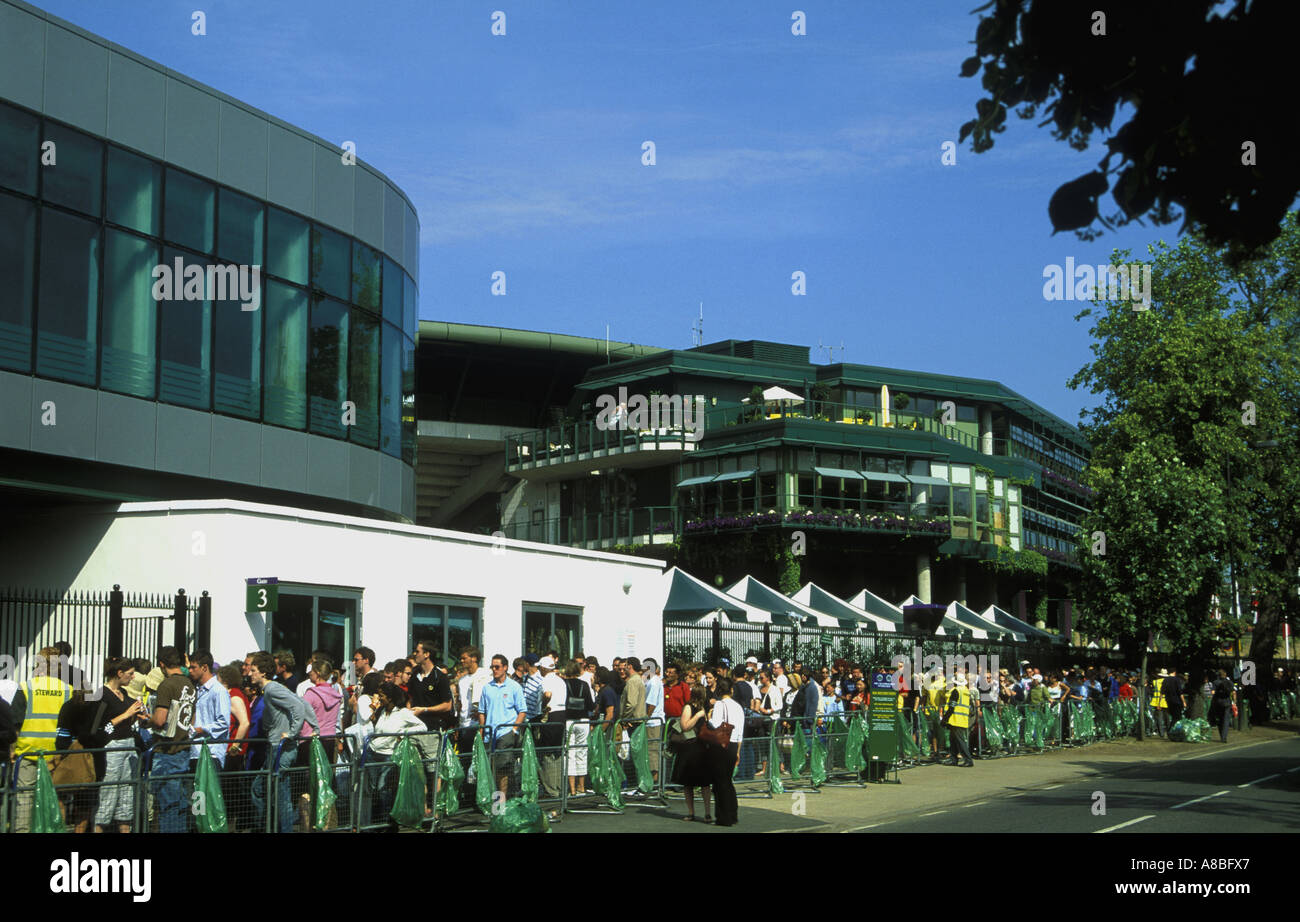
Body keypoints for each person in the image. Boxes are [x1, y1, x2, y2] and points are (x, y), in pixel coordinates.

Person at [248, 651, 318, 834]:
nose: (249, 674)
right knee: (272, 791)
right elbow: (302, 703)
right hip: (277, 748)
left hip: (281, 750)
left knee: (277, 794)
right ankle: (273, 826)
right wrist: (314, 726)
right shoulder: (273, 689)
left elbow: (297, 706)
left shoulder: (272, 689)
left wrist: (292, 733)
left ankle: (273, 826)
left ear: (263, 672)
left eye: (253, 670)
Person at [11, 646, 74, 832]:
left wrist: (12, 749)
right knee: (55, 799)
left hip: (27, 752)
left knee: (24, 798)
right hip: (56, 754)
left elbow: (16, 722)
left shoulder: (25, 687)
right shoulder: (67, 690)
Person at [364, 682, 428, 828]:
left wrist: (404, 733)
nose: (379, 698)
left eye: (382, 696)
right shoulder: (381, 711)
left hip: (388, 755)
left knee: (383, 788)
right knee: (373, 788)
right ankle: (375, 822)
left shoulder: (403, 713)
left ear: (390, 698)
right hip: (372, 753)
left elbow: (422, 726)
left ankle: (387, 822)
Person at [148, 646, 196, 833]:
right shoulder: (190, 684)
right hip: (183, 748)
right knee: (180, 804)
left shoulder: (166, 685)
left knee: (167, 805)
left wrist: (146, 721)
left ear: (162, 664)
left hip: (167, 752)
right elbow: (192, 718)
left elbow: (159, 720)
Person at [478, 654, 527, 797]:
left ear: (505, 668)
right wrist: (482, 731)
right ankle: (504, 796)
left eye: (497, 667)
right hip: (490, 733)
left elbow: (522, 711)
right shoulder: (487, 688)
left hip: (505, 733)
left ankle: (500, 801)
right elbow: (482, 711)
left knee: (502, 768)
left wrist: (514, 729)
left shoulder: (514, 687)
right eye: (492, 667)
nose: (494, 670)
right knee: (492, 767)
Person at [216, 664, 250, 830]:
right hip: (230, 749)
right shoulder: (230, 695)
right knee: (230, 788)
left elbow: (244, 722)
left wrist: (235, 746)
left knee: (231, 789)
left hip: (233, 751)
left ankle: (232, 825)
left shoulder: (234, 696)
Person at [707, 677, 744, 827]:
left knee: (719, 782)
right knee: (728, 781)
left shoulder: (719, 705)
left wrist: (708, 717)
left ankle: (723, 817)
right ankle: (733, 814)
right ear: (732, 690)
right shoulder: (738, 706)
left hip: (722, 745)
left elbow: (715, 724)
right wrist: (738, 751)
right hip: (734, 744)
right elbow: (740, 731)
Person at [673, 684, 713, 822]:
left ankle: (708, 813)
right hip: (689, 748)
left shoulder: (703, 708)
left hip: (701, 747)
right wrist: (697, 716)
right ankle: (691, 812)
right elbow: (685, 726)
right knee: (688, 782)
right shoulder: (689, 708)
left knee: (705, 783)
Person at [188, 650, 230, 771]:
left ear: (204, 667)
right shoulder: (197, 689)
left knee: (208, 790)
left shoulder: (218, 691)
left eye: (193, 667)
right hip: (196, 751)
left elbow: (224, 723)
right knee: (197, 790)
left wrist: (201, 729)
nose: (190, 671)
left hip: (212, 753)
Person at [407, 641, 454, 733]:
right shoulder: (414, 675)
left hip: (433, 728)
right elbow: (410, 698)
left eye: (417, 651)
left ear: (426, 654)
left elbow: (448, 706)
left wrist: (424, 710)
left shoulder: (440, 677)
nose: (414, 654)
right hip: (415, 727)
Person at [563, 659, 594, 797]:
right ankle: (582, 786)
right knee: (582, 752)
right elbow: (590, 705)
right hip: (583, 720)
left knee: (570, 754)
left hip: (569, 720)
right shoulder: (584, 684)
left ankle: (572, 789)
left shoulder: (564, 684)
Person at [941, 674, 975, 767]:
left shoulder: (956, 691)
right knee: (953, 740)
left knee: (960, 741)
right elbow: (971, 706)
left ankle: (968, 760)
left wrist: (944, 719)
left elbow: (952, 706)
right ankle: (953, 758)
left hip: (955, 719)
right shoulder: (966, 691)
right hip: (962, 719)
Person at [1210, 669, 1236, 743]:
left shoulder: (1215, 682)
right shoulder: (1229, 682)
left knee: (1220, 719)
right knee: (1226, 720)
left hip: (1218, 703)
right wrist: (1234, 702)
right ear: (1225, 675)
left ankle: (1221, 735)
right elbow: (1234, 692)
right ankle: (1224, 737)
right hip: (1227, 702)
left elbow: (1212, 692)